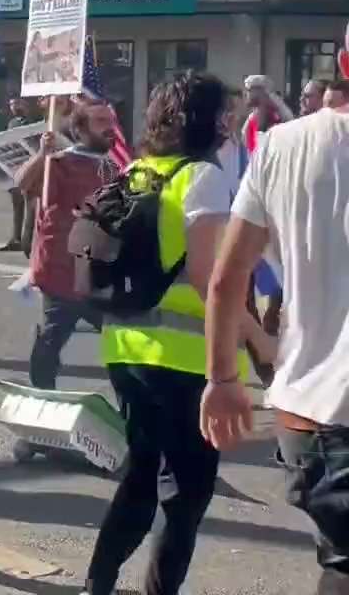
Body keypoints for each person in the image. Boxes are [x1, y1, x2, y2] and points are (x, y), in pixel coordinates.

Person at [83, 72, 274, 595]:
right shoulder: (202, 177)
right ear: (206, 118)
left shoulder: (141, 169)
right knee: (185, 494)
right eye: (226, 112)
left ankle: (96, 583)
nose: (231, 122)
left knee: (142, 478)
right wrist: (258, 341)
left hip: (125, 347)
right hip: (184, 358)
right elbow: (212, 278)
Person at [202, 74, 349, 595]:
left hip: (306, 413)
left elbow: (226, 278)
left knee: (340, 563)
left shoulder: (282, 145)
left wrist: (222, 379)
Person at [14, 99, 120, 390]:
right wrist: (42, 155)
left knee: (122, 335)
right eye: (101, 122)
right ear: (80, 128)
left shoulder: (112, 167)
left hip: (98, 272)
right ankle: (43, 394)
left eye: (111, 121)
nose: (110, 128)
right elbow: (23, 182)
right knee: (53, 337)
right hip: (61, 271)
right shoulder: (59, 162)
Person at [2, 98, 33, 252]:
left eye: (17, 104)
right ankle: (16, 237)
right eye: (12, 104)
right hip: (14, 169)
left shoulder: (32, 122)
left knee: (31, 206)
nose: (14, 107)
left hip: (29, 168)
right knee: (17, 206)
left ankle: (27, 240)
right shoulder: (12, 123)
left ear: (24, 105)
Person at [242, 74, 292, 154]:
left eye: (248, 90)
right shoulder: (252, 117)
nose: (245, 93)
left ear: (259, 91)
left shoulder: (279, 115)